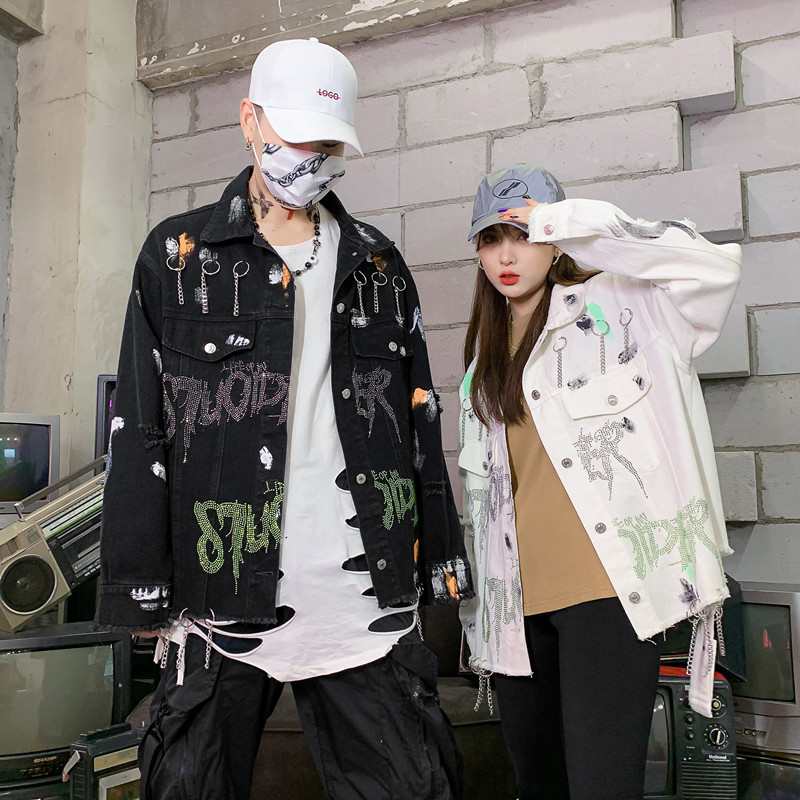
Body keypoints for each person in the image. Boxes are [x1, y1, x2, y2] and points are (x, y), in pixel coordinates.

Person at [95, 38, 472, 800]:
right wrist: (139, 586)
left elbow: (419, 426)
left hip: (361, 601)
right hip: (219, 598)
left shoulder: (378, 266)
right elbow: (138, 428)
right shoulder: (177, 259)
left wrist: (441, 564)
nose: (313, 157)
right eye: (297, 136)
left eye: (328, 144)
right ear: (250, 121)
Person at [457, 163, 742, 800]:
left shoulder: (624, 306)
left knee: (602, 787)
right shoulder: (481, 362)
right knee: (539, 788)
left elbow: (711, 266)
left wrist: (566, 221)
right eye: (491, 239)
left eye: (524, 235)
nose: (507, 255)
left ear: (557, 239)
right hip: (515, 607)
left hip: (606, 595)